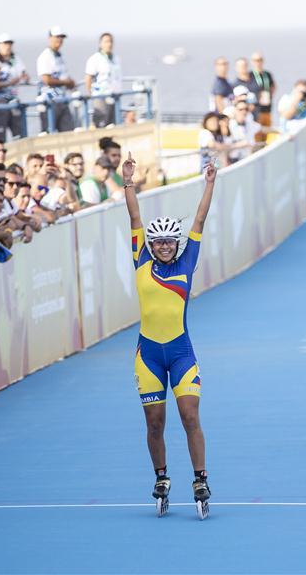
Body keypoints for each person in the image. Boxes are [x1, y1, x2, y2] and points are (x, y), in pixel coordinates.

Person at [122, 152, 218, 517]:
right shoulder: (141, 260)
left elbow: (199, 219)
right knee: (155, 423)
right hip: (148, 355)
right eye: (158, 242)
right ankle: (161, 477)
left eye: (169, 242)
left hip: (180, 353)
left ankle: (200, 478)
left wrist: (209, 184)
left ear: (176, 244)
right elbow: (134, 217)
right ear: (150, 244)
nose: (164, 246)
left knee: (190, 417)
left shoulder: (187, 261)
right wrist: (128, 182)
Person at [36, 25, 76, 133]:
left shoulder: (59, 56)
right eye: (57, 37)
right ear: (50, 38)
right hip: (49, 101)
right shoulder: (45, 56)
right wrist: (65, 82)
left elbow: (63, 76)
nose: (60, 40)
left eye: (61, 37)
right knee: (48, 133)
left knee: (68, 132)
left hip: (61, 99)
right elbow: (46, 80)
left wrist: (70, 83)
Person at [0, 33, 29, 140]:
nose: (7, 46)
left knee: (19, 131)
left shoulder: (15, 59)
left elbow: (24, 74)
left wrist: (25, 77)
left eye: (9, 43)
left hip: (13, 99)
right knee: (0, 132)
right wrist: (9, 83)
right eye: (5, 43)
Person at [85, 32, 123, 128]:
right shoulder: (95, 59)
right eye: (106, 42)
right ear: (100, 44)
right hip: (101, 97)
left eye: (111, 41)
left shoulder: (115, 58)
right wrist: (92, 94)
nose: (109, 44)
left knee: (113, 125)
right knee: (101, 125)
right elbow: (88, 78)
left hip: (114, 97)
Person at [249, 53, 275, 128]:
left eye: (260, 60)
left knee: (268, 130)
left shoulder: (267, 74)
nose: (258, 62)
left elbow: (273, 86)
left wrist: (269, 95)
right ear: (252, 62)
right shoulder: (250, 75)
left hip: (267, 109)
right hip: (256, 111)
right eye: (256, 60)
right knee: (257, 131)